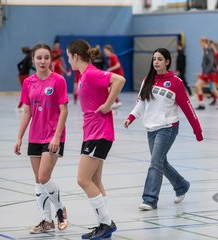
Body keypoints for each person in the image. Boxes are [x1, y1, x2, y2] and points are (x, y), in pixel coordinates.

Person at [124, 48, 203, 211]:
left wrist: (198, 131)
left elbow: (188, 108)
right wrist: (131, 117)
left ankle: (150, 199)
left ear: (167, 62)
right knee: (160, 162)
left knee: (155, 163)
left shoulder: (176, 82)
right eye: (154, 59)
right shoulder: (148, 80)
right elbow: (141, 103)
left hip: (168, 127)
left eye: (160, 59)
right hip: (151, 128)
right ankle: (181, 186)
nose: (156, 62)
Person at [67, 39, 125, 239]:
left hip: (99, 133)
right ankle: (103, 225)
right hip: (92, 133)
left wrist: (109, 104)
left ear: (75, 56)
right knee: (94, 180)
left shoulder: (91, 73)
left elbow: (119, 80)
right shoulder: (84, 76)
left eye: (69, 57)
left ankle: (106, 223)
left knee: (83, 179)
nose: (68, 62)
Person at [14, 43, 69, 234]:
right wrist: (19, 137)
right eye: (39, 58)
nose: (43, 61)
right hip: (35, 136)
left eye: (46, 57)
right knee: (38, 180)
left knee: (44, 177)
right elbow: (27, 111)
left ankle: (60, 210)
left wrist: (57, 136)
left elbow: (64, 110)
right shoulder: (28, 82)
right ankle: (45, 220)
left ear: (51, 59)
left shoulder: (58, 80)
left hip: (53, 136)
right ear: (33, 60)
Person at [195, 37, 218, 110]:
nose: (200, 44)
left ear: (203, 42)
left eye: (200, 42)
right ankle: (201, 104)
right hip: (206, 72)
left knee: (212, 89)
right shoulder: (205, 49)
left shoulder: (209, 50)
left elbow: (211, 62)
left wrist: (206, 72)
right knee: (198, 85)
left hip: (209, 73)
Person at [103, 44, 124, 109]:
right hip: (115, 75)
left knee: (111, 88)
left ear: (109, 50)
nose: (105, 52)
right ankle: (116, 102)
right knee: (111, 88)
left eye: (105, 51)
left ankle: (116, 102)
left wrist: (109, 69)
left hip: (118, 75)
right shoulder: (110, 57)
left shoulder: (112, 56)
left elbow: (118, 65)